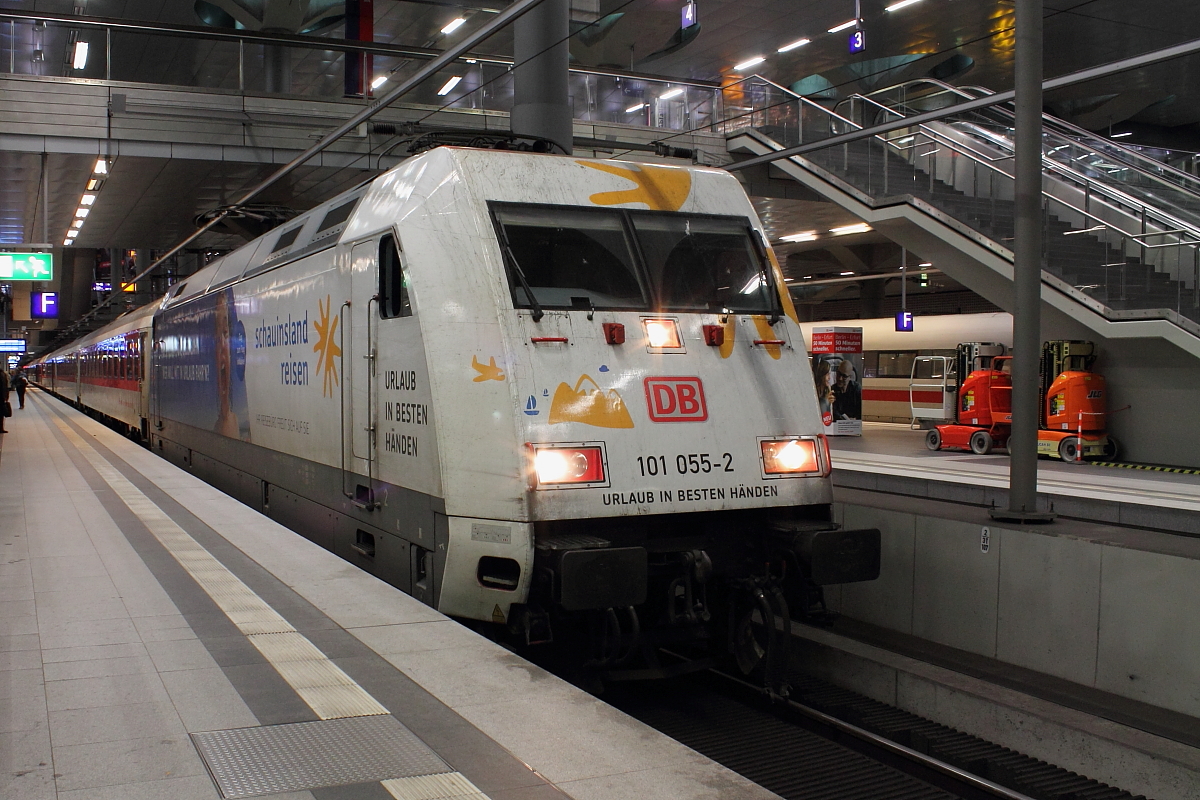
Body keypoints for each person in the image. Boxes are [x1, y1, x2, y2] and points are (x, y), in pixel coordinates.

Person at [0, 369, 9, 433]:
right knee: (1, 414)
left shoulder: (2, 374)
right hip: (2, 397)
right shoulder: (3, 374)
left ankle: (1, 428)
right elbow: (5, 386)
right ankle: (1, 428)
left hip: (1, 397)